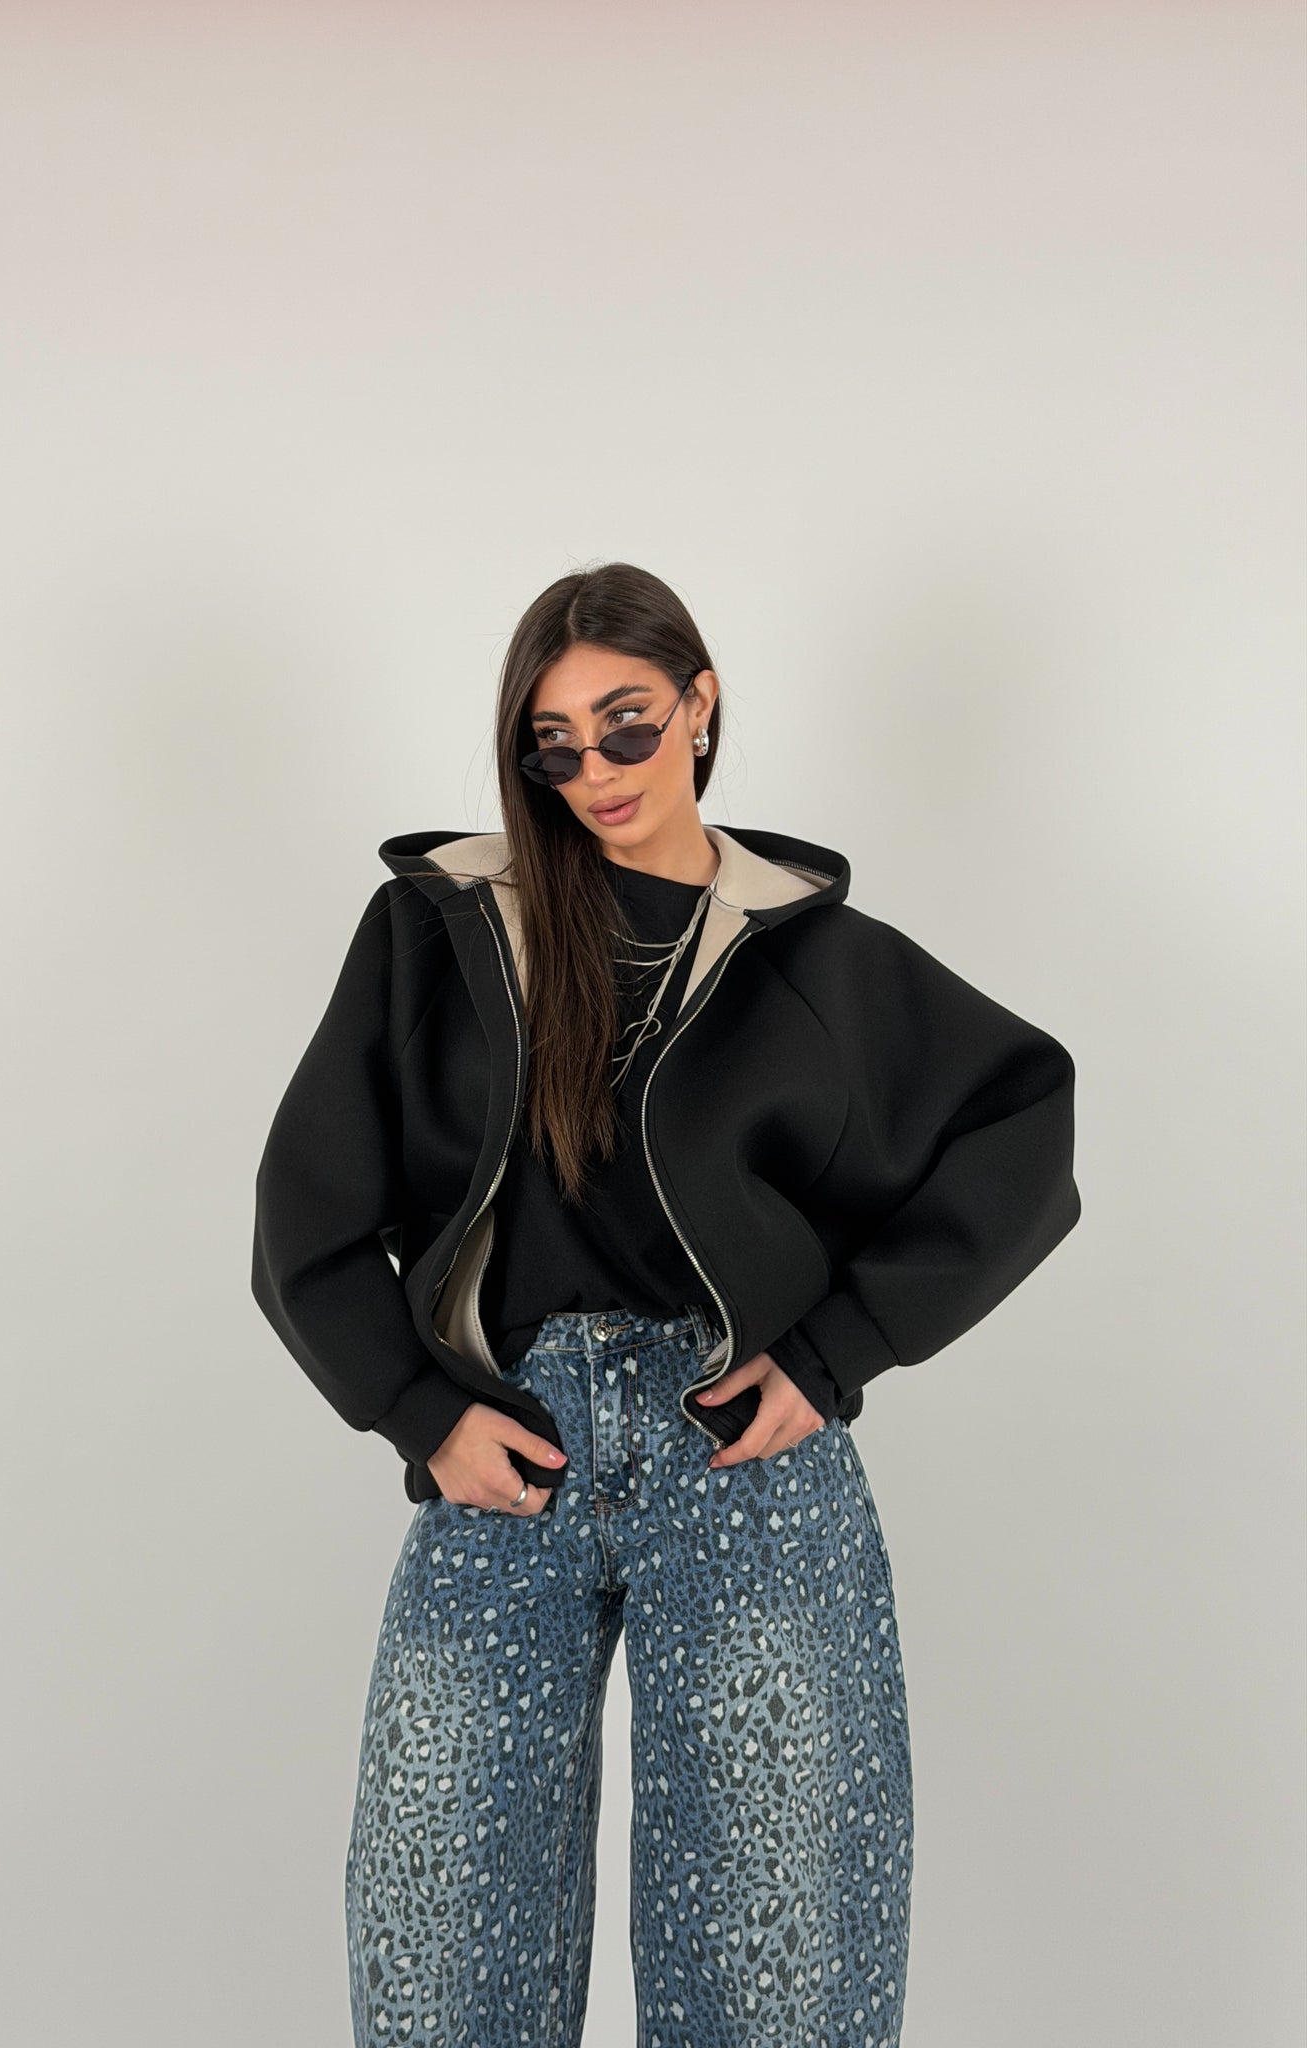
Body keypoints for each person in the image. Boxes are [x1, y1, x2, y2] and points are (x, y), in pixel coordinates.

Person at [250, 561, 1081, 2048]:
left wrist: (834, 1354)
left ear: (700, 705)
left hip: (743, 1457)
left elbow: (1022, 1123)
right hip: (512, 1453)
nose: (595, 770)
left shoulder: (813, 958)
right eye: (553, 746)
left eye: (625, 723)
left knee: (783, 1973)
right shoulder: (441, 934)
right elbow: (304, 1215)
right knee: (438, 1956)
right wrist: (419, 1411)